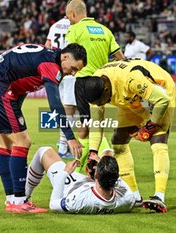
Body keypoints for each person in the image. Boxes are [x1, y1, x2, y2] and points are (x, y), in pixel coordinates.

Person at [0, 43, 87, 213]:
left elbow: (18, 73)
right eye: (73, 68)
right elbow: (55, 105)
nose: (72, 73)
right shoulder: (52, 65)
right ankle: (20, 201)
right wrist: (70, 137)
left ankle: (12, 200)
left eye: (76, 71)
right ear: (64, 57)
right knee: (23, 142)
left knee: (6, 145)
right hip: (0, 90)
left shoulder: (47, 55)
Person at [80, 59, 176, 213]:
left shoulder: (131, 79)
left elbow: (162, 100)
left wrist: (149, 126)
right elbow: (96, 124)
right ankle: (134, 196)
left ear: (105, 89)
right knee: (118, 142)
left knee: (158, 139)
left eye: (100, 102)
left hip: (158, 91)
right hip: (132, 100)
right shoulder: (96, 86)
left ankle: (159, 196)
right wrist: (92, 153)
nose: (98, 105)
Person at [65, 0, 125, 171]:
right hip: (103, 84)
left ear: (74, 14)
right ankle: (84, 170)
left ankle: (101, 161)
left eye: (68, 16)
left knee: (88, 128)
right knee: (91, 126)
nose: (68, 19)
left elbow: (67, 55)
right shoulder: (105, 30)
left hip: (84, 82)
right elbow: (121, 57)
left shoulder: (75, 29)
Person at [25, 146, 136, 214]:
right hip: (89, 184)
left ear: (96, 175)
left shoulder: (78, 201)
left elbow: (53, 204)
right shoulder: (127, 199)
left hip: (70, 185)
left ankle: (24, 197)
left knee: (44, 151)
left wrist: (65, 173)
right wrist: (101, 162)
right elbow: (115, 176)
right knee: (108, 152)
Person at [45, 16, 75, 158]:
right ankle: (63, 147)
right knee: (69, 110)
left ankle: (63, 144)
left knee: (63, 108)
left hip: (55, 69)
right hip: (69, 69)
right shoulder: (74, 26)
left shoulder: (55, 25)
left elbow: (47, 46)